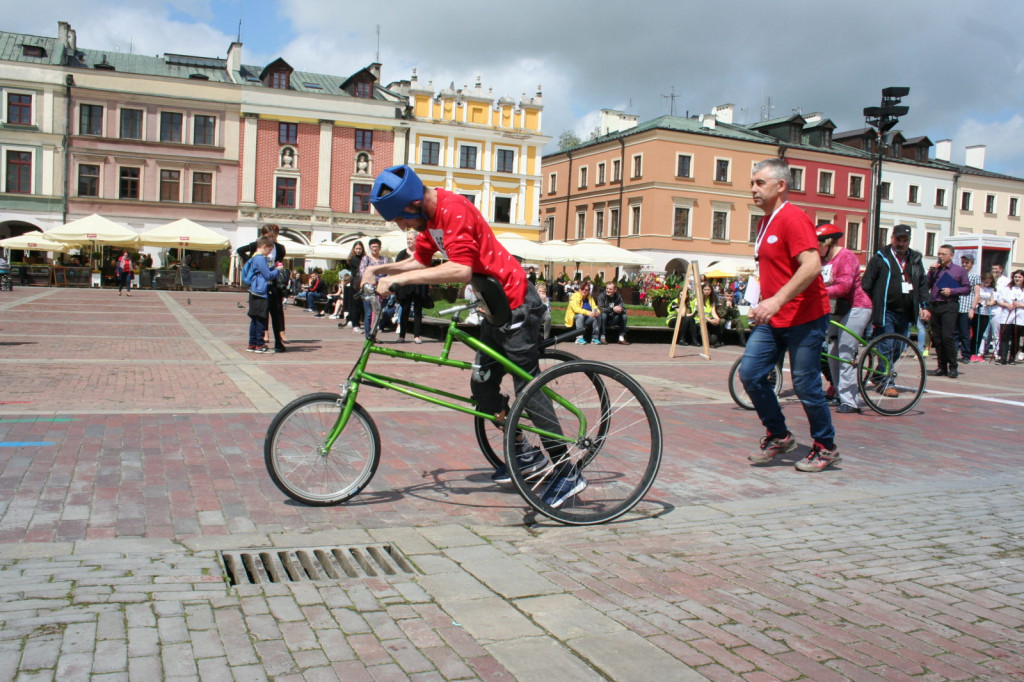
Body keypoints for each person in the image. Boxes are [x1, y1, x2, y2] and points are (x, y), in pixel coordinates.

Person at [364, 164, 580, 508]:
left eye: (401, 221)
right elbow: (420, 261)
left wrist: (399, 282)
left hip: (516, 302)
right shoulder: (429, 219)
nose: (401, 227)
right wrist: (380, 268)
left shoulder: (453, 210)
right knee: (482, 387)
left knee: (527, 386)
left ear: (413, 205)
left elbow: (460, 269)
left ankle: (566, 470)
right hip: (492, 306)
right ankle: (525, 453)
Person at [738, 158, 839, 473]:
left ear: (780, 185)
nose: (753, 189)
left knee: (807, 385)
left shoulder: (793, 218)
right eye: (752, 183)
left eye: (759, 183)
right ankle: (779, 435)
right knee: (751, 374)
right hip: (774, 316)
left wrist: (776, 300)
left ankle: (826, 446)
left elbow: (811, 266)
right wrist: (757, 302)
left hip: (805, 316)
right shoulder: (764, 222)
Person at [861, 224, 931, 395]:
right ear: (892, 238)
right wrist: (868, 306)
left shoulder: (915, 259)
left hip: (906, 312)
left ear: (908, 241)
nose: (901, 243)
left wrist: (925, 305)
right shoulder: (880, 257)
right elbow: (866, 284)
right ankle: (887, 382)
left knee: (899, 347)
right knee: (886, 344)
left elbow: (922, 284)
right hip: (885, 310)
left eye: (904, 240)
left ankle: (878, 375)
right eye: (898, 239)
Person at [816, 224, 873, 414]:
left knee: (845, 352)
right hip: (838, 308)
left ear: (829, 242)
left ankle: (851, 400)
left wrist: (819, 292)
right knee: (832, 351)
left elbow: (844, 287)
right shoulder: (824, 260)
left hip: (857, 306)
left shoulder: (846, 256)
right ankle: (840, 393)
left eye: (818, 244)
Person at [237, 224, 288, 352]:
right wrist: (252, 262)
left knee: (276, 313)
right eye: (269, 237)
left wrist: (276, 267)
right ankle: (260, 340)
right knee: (260, 315)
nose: (272, 239)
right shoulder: (258, 247)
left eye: (274, 236)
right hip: (261, 286)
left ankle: (278, 341)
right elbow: (240, 250)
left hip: (274, 285)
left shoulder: (280, 248)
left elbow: (278, 262)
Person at [926, 244, 970, 378]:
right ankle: (941, 366)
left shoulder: (959, 271)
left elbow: (967, 288)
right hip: (935, 305)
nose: (940, 256)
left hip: (950, 305)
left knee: (947, 337)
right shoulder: (936, 270)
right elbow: (927, 285)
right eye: (939, 254)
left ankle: (953, 366)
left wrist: (952, 291)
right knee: (937, 338)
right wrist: (931, 271)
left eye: (943, 254)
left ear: (951, 256)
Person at [246, 236, 284, 353]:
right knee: (261, 318)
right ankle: (259, 344)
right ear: (263, 247)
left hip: (254, 290)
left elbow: (263, 272)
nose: (269, 253)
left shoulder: (253, 258)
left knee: (255, 318)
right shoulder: (260, 259)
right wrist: (278, 270)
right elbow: (268, 275)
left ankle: (252, 344)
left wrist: (272, 266)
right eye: (269, 250)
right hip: (261, 292)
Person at [395, 231, 427, 343]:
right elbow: (397, 269)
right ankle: (402, 335)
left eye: (410, 239)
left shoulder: (421, 253)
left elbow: (426, 266)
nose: (408, 241)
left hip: (418, 284)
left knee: (418, 310)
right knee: (404, 310)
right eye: (407, 239)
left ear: (416, 240)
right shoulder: (402, 254)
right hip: (405, 284)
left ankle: (416, 336)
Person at [357, 239, 391, 339]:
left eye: (376, 246)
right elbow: (363, 273)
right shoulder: (365, 259)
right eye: (372, 247)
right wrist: (376, 280)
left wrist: (386, 283)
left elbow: (387, 273)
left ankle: (374, 335)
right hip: (368, 290)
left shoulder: (384, 260)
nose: (375, 249)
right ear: (370, 248)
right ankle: (368, 335)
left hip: (380, 290)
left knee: (377, 314)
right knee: (368, 313)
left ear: (380, 248)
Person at [954, 253, 980, 365]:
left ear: (972, 264)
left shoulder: (974, 276)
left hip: (966, 307)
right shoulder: (957, 275)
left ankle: (966, 354)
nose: (964, 265)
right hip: (956, 307)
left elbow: (977, 294)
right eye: (963, 262)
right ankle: (953, 353)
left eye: (967, 263)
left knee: (964, 332)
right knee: (954, 333)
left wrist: (972, 308)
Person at [996, 269, 1024, 364]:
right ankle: (1003, 358)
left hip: (1020, 317)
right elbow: (999, 300)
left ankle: (1012, 357)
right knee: (1004, 337)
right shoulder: (1007, 288)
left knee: (1016, 338)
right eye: (1016, 277)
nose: (1017, 278)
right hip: (1007, 316)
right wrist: (1007, 305)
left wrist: (1020, 305)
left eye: (1019, 277)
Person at [971, 271, 997, 361]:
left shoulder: (991, 289)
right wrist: (978, 301)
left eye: (989, 281)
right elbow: (975, 297)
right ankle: (972, 352)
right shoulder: (979, 288)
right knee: (975, 333)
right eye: (985, 281)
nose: (987, 283)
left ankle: (978, 353)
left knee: (981, 334)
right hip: (977, 312)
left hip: (985, 313)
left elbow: (993, 300)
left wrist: (990, 303)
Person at [346, 241, 366, 330]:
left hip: (361, 283)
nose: (358, 250)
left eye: (360, 249)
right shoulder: (354, 259)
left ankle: (355, 321)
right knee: (355, 304)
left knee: (360, 304)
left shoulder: (363, 258)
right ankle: (355, 324)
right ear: (354, 249)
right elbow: (361, 270)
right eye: (357, 249)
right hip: (355, 284)